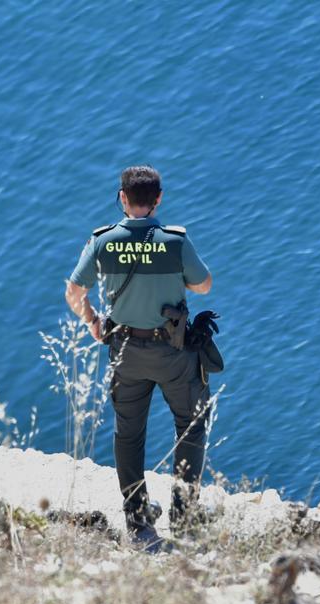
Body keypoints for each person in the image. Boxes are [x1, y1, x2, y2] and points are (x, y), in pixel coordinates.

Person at [64, 165, 213, 550]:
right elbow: (204, 285)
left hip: (124, 351)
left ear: (123, 198)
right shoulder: (174, 241)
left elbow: (74, 293)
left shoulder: (103, 241)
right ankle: (185, 515)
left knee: (128, 434)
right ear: (159, 198)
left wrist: (94, 323)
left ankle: (137, 518)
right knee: (191, 425)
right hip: (173, 352)